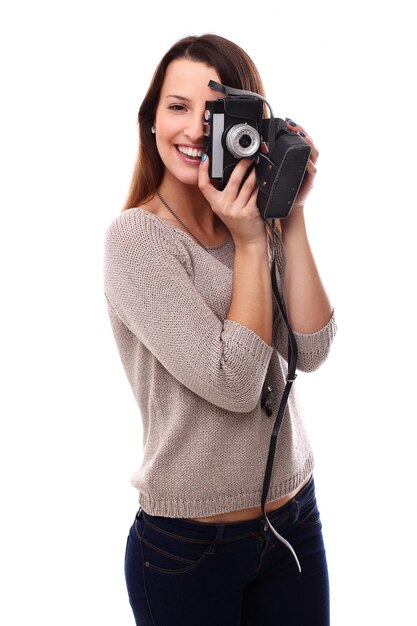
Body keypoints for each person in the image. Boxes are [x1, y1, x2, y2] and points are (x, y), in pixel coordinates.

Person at [103, 33, 337, 626]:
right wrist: (253, 241)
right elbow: (233, 382)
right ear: (150, 119)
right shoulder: (137, 241)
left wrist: (293, 214)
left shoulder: (254, 220)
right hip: (188, 550)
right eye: (176, 107)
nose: (194, 130)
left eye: (216, 114)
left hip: (293, 521)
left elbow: (310, 348)